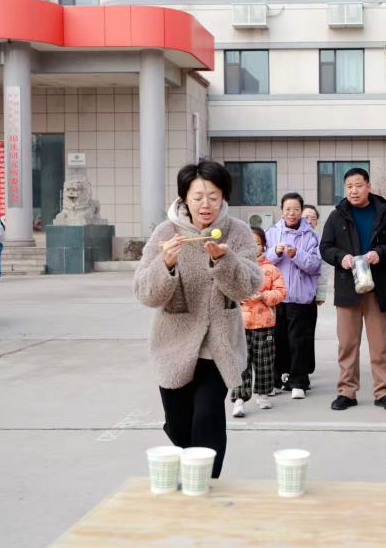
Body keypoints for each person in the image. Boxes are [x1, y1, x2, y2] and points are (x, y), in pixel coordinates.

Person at [132, 159, 262, 478]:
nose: (206, 205)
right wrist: (166, 264)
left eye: (213, 197)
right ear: (184, 198)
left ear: (223, 197)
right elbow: (144, 292)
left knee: (207, 419)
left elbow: (249, 286)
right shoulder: (166, 232)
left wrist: (224, 260)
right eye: (198, 197)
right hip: (174, 345)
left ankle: (205, 483)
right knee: (178, 424)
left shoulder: (238, 232)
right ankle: (191, 470)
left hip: (218, 345)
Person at [320, 167, 386, 412]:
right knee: (347, 344)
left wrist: (380, 253)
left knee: (380, 344)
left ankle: (383, 392)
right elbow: (325, 248)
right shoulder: (337, 216)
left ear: (368, 186)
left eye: (358, 185)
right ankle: (346, 392)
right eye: (349, 186)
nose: (354, 191)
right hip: (348, 287)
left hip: (378, 288)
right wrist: (341, 258)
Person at [266, 193, 322, 399]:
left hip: (300, 298)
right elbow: (262, 260)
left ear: (301, 211)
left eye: (296, 209)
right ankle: (276, 379)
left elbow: (315, 265)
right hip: (276, 297)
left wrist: (296, 254)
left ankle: (299, 381)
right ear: (281, 211)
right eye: (288, 209)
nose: (292, 213)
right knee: (276, 341)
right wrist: (275, 252)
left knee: (299, 341)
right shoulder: (271, 233)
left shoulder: (311, 236)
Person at [232, 227, 287, 418]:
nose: (252, 246)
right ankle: (239, 399)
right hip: (241, 324)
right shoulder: (236, 269)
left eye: (256, 243)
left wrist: (264, 296)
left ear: (263, 246)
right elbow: (228, 290)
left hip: (265, 324)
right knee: (241, 363)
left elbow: (281, 292)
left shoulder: (271, 269)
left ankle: (263, 394)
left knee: (264, 361)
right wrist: (239, 297)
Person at [302, 205, 333, 308]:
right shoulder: (287, 237)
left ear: (316, 223)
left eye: (313, 218)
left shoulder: (320, 242)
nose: (309, 221)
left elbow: (324, 269)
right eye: (306, 217)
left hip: (310, 292)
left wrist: (321, 294)